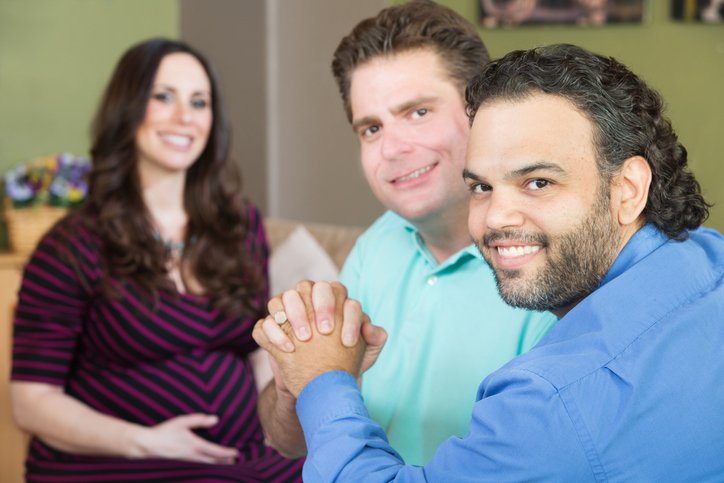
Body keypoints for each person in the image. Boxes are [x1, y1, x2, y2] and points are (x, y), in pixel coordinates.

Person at [253, 44, 724, 481]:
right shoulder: (708, 257)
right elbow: (290, 433)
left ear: (628, 189)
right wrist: (314, 372)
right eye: (481, 186)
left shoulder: (552, 396)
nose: (496, 217)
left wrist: (324, 378)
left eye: (538, 182)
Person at [256, 0, 558, 466]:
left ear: (481, 110)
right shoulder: (378, 244)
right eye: (371, 128)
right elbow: (289, 442)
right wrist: (294, 381)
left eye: (418, 112)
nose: (393, 148)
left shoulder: (548, 266)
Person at [10, 39, 303, 482]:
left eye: (199, 102)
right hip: (120, 460)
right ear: (127, 109)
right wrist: (145, 440)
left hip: (244, 455)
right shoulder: (71, 246)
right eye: (163, 96)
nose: (184, 116)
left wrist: (273, 426)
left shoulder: (238, 225)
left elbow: (258, 351)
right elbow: (31, 401)